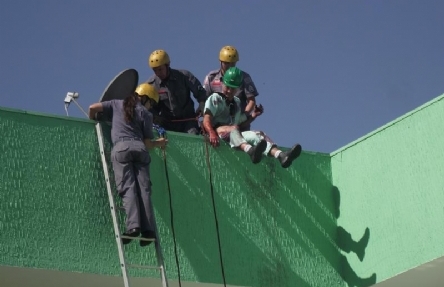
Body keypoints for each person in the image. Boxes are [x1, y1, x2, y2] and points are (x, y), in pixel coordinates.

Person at [88, 83, 167, 247]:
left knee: (128, 188)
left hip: (121, 149)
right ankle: (148, 230)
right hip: (140, 150)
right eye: (151, 103)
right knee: (144, 190)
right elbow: (147, 143)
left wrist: (92, 119)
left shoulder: (117, 104)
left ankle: (133, 227)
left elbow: (93, 107)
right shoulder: (145, 113)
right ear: (144, 98)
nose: (150, 106)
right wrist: (159, 143)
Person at [203, 67, 301, 168]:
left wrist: (254, 115)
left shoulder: (236, 102)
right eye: (227, 87)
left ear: (237, 88)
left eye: (233, 88)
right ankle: (250, 151)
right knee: (233, 129)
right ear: (222, 83)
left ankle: (281, 155)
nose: (229, 91)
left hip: (234, 134)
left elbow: (240, 122)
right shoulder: (215, 98)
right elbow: (206, 119)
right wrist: (211, 132)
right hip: (218, 132)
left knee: (257, 134)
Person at [146, 49, 207, 135]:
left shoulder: (184, 76)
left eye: (160, 69)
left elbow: (200, 92)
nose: (158, 73)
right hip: (166, 124)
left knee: (192, 139)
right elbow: (147, 106)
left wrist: (202, 104)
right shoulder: (151, 85)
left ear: (168, 65)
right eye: (155, 70)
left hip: (188, 122)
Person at [203, 45, 259, 130]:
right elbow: (204, 99)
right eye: (226, 63)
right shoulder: (211, 77)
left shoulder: (244, 77)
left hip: (239, 125)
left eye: (233, 63)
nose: (230, 66)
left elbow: (251, 101)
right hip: (217, 126)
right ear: (220, 61)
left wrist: (242, 116)